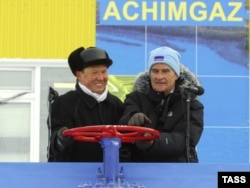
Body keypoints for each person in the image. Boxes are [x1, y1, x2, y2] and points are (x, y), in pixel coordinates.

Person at [48, 46, 137, 162]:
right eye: (94, 73)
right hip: (74, 176)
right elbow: (55, 145)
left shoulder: (117, 105)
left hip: (111, 176)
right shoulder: (63, 104)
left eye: (104, 72)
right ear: (79, 75)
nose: (100, 78)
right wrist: (60, 138)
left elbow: (127, 145)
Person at [119, 46, 204, 162]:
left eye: (165, 71)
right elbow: (122, 121)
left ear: (176, 75)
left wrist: (152, 142)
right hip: (138, 172)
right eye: (155, 71)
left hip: (176, 173)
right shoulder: (135, 98)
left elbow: (183, 141)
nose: (159, 77)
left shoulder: (191, 105)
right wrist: (131, 118)